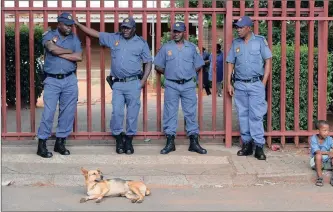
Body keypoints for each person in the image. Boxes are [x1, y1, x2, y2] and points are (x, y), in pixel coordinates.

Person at [74, 17, 152, 155]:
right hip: (118, 84)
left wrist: (142, 82)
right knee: (117, 112)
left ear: (134, 29)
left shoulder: (141, 43)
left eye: (128, 28)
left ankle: (129, 139)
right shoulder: (114, 38)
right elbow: (95, 33)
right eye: (123, 27)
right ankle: (118, 138)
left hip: (134, 83)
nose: (125, 30)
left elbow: (148, 62)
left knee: (132, 114)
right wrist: (78, 24)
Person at [153, 22, 207, 155]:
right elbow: (157, 65)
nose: (175, 33)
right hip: (171, 84)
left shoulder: (192, 48)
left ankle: (193, 142)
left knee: (190, 113)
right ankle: (170, 142)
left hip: (188, 84)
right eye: (174, 31)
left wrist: (189, 73)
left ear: (184, 32)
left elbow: (199, 64)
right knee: (170, 113)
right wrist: (169, 72)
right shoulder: (166, 47)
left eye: (178, 31)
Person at [37, 12, 83, 158]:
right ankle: (42, 144)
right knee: (48, 113)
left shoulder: (74, 38)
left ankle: (60, 143)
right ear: (59, 24)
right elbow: (51, 48)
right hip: (52, 80)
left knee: (68, 112)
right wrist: (68, 52)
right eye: (67, 25)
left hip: (69, 80)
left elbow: (78, 57)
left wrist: (60, 52)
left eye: (71, 25)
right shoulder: (48, 35)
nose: (69, 28)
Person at [226, 16, 272, 160]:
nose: (238, 30)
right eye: (237, 27)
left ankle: (259, 146)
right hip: (239, 84)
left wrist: (263, 82)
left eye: (241, 27)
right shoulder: (236, 43)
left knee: (256, 115)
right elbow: (230, 63)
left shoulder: (259, 41)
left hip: (255, 83)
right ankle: (247, 144)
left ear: (249, 28)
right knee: (243, 115)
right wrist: (228, 82)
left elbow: (268, 61)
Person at [310, 120, 333, 187]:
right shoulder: (313, 138)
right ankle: (320, 178)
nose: (327, 132)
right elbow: (317, 151)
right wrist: (328, 153)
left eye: (328, 130)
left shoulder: (329, 139)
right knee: (318, 156)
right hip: (315, 162)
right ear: (318, 131)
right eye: (324, 130)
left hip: (327, 161)